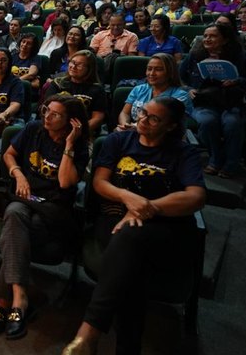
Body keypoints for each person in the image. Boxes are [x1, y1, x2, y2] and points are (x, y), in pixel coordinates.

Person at [62, 98, 206, 355]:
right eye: (142, 113)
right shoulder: (118, 141)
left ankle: (89, 331)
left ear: (171, 126)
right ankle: (125, 348)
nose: (142, 119)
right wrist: (127, 197)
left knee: (129, 242)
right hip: (113, 220)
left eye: (153, 118)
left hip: (165, 229)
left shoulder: (184, 153)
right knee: (131, 267)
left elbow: (195, 196)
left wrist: (147, 207)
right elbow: (100, 183)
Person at [0, 95, 89, 340]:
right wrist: (19, 174)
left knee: (15, 227)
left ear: (71, 122)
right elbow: (8, 155)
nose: (47, 116)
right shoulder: (34, 129)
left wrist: (69, 145)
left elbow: (65, 182)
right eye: (46, 110)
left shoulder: (80, 147)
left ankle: (3, 301)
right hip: (24, 199)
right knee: (14, 214)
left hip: (53, 210)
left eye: (55, 114)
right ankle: (19, 300)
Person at [179, 23, 246, 178]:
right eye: (206, 35)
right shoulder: (195, 55)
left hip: (233, 101)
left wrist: (238, 81)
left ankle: (231, 164)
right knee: (208, 121)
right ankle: (216, 159)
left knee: (232, 123)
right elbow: (180, 78)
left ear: (225, 40)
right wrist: (189, 89)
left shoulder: (241, 57)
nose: (207, 39)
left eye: (213, 36)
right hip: (204, 101)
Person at [116, 54, 192, 130]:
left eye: (158, 69)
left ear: (170, 72)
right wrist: (125, 125)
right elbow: (125, 113)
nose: (151, 73)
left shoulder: (181, 96)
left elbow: (165, 124)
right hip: (134, 132)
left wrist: (136, 127)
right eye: (149, 69)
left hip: (163, 136)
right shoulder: (139, 89)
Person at [43, 50, 107, 136]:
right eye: (72, 62)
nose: (73, 66)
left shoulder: (97, 89)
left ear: (89, 69)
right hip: (55, 130)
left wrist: (78, 131)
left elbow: (97, 118)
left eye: (79, 65)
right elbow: (46, 109)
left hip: (83, 132)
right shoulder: (57, 84)